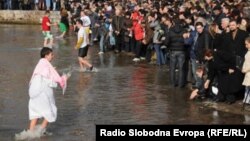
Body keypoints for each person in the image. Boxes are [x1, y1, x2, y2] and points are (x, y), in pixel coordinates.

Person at [28, 47, 68, 134]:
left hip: (33, 91)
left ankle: (30, 133)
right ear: (46, 56)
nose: (53, 56)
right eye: (51, 54)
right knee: (51, 110)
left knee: (35, 113)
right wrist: (63, 79)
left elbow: (43, 74)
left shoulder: (40, 63)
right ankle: (40, 131)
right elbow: (52, 78)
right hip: (42, 90)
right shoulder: (46, 65)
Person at [242, 37, 250, 105]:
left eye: (247, 44)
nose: (246, 46)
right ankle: (247, 100)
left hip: (248, 71)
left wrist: (246, 69)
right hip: (247, 72)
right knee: (247, 87)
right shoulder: (248, 51)